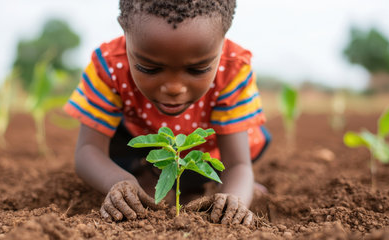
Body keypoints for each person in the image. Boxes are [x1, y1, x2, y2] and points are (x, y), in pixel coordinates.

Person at [64, 0, 271, 226]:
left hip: (207, 152)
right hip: (140, 146)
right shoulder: (109, 66)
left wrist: (235, 198)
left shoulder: (232, 70)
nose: (174, 88)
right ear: (125, 28)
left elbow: (238, 164)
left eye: (197, 69)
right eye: (149, 68)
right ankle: (146, 173)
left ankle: (200, 183)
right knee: (115, 150)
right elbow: (88, 149)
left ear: (224, 38)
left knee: (237, 169)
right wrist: (120, 181)